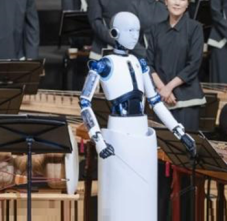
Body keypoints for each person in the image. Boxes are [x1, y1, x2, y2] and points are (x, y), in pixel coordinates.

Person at [79, 11, 196, 221]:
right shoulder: (103, 64)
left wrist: (180, 132)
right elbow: (85, 103)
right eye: (130, 30)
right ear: (115, 32)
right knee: (119, 200)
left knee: (144, 198)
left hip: (143, 134)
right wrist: (98, 140)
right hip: (117, 133)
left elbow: (155, 101)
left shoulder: (139, 62)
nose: (135, 35)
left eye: (137, 31)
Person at [147, 0, 205, 221]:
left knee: (185, 164)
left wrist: (170, 87)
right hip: (160, 104)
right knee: (160, 167)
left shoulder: (195, 28)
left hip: (187, 103)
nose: (177, 2)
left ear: (188, 3)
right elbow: (148, 64)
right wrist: (162, 89)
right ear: (165, 0)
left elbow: (194, 64)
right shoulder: (154, 29)